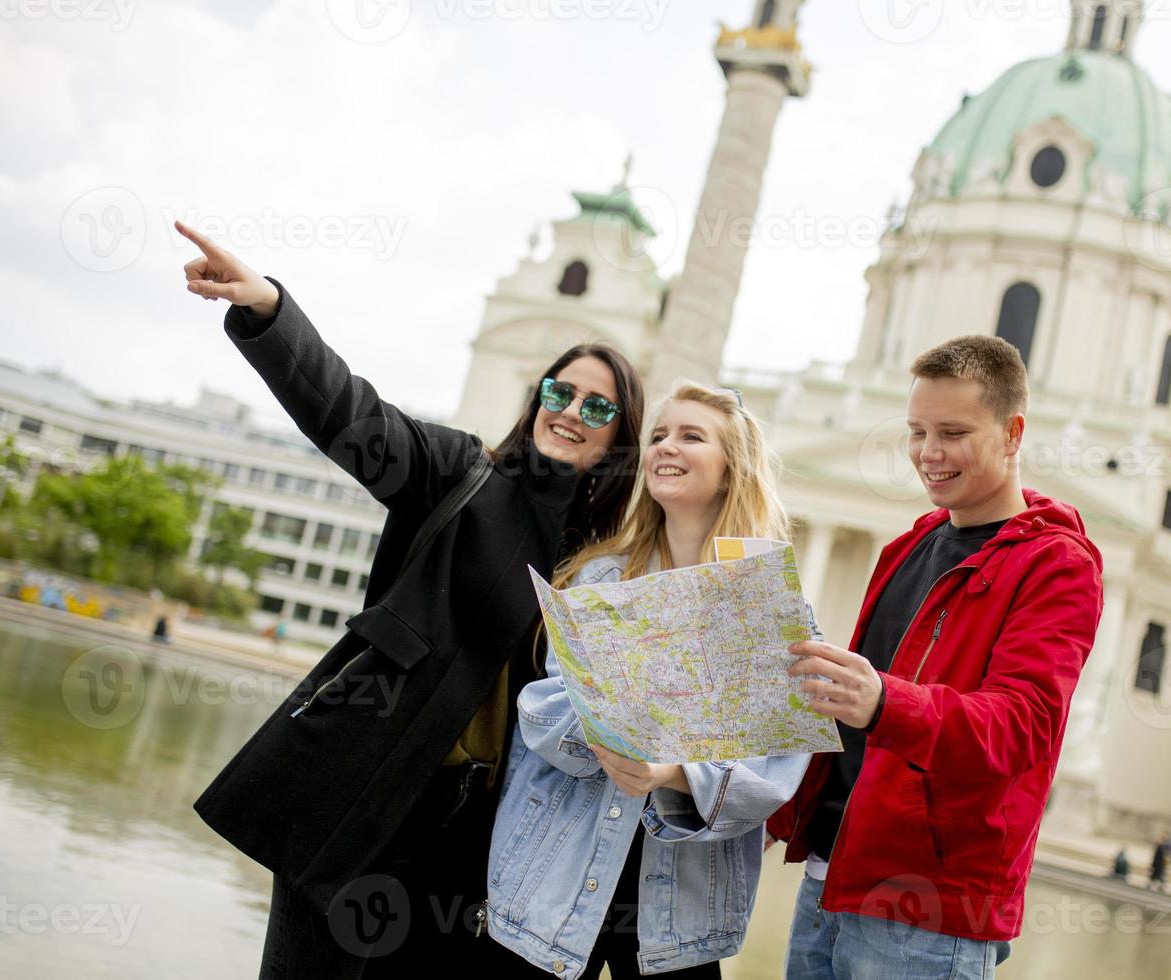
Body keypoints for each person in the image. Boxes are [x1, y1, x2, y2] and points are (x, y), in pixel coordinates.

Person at [176, 220, 646, 978]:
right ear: (537, 398)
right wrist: (268, 309)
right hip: (362, 793)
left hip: (469, 840)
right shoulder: (458, 475)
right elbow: (351, 414)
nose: (572, 412)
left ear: (618, 437)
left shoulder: (602, 567)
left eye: (599, 408)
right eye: (562, 391)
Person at [768, 336, 1104, 979]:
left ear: (1013, 433)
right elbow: (856, 718)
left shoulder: (1059, 567)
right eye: (917, 431)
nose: (928, 453)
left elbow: (1023, 726)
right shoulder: (909, 544)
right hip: (831, 873)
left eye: (953, 432)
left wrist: (883, 701)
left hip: (929, 907)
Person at [484, 383, 812, 979]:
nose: (666, 445)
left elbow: (779, 762)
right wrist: (613, 736)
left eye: (691, 435)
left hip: (684, 906)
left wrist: (675, 773)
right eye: (659, 435)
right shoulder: (600, 577)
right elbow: (543, 709)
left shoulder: (765, 602)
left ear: (731, 464)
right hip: (553, 877)